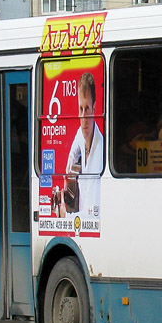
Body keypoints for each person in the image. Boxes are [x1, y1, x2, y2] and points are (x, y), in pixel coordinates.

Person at [65, 70, 104, 218]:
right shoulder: (81, 134)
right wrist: (70, 161)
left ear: (94, 108)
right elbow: (75, 148)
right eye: (80, 109)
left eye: (87, 109)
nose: (83, 117)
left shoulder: (100, 152)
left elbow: (91, 215)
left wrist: (65, 216)